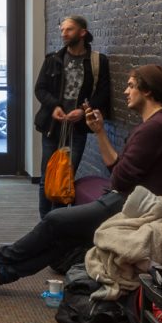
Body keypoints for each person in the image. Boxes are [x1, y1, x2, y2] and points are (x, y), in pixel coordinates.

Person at [0, 64, 162, 294]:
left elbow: (119, 179)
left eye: (131, 86)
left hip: (132, 206)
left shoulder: (154, 129)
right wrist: (99, 132)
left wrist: (118, 171)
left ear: (147, 91)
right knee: (65, 239)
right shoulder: (153, 126)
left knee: (55, 219)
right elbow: (117, 170)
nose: (126, 91)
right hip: (126, 199)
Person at [34, 15, 111, 218]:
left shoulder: (98, 61)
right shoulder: (53, 59)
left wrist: (84, 110)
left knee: (65, 178)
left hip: (77, 129)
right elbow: (40, 89)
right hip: (53, 125)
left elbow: (103, 93)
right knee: (47, 177)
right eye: (62, 30)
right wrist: (54, 107)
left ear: (82, 32)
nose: (63, 34)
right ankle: (44, 224)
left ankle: (56, 223)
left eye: (68, 30)